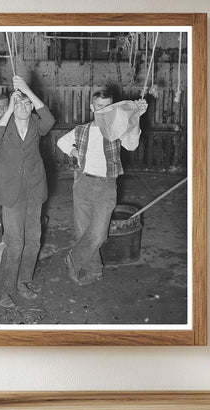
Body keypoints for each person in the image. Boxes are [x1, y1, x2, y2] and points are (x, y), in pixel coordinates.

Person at [57, 90, 148, 286]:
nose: (104, 110)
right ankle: (95, 270)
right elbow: (61, 142)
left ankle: (73, 259)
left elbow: (132, 145)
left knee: (99, 233)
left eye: (108, 107)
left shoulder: (116, 129)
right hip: (83, 183)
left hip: (107, 185)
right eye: (99, 107)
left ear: (112, 108)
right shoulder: (82, 129)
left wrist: (136, 118)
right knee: (83, 231)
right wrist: (76, 152)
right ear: (92, 108)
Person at [0, 76, 55, 308]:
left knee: (33, 241)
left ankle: (24, 281)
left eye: (27, 104)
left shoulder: (36, 122)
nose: (24, 108)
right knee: (15, 243)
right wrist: (10, 109)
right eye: (19, 104)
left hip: (34, 190)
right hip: (11, 193)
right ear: (14, 108)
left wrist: (27, 91)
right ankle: (3, 289)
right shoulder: (4, 127)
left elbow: (49, 118)